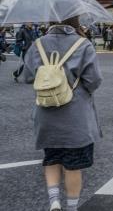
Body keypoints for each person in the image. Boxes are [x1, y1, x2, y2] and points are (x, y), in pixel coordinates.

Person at [22, 16, 103, 211]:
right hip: (75, 115)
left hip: (46, 113)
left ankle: (54, 201)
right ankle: (72, 207)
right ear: (74, 21)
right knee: (73, 165)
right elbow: (94, 80)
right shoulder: (83, 44)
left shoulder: (38, 44)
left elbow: (27, 77)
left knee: (51, 158)